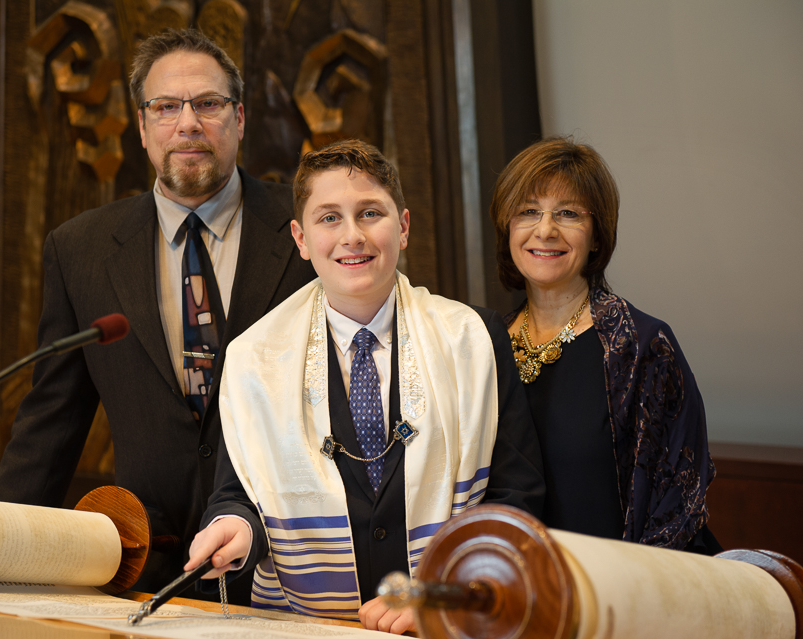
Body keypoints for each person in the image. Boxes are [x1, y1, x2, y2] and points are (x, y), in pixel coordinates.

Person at [0, 28, 316, 598]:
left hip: (286, 569)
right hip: (145, 572)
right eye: (166, 107)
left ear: (239, 119)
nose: (187, 123)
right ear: (141, 128)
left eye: (208, 104)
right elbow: (51, 424)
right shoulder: (80, 249)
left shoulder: (310, 229)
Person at [184, 139, 545, 634]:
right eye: (329, 218)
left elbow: (517, 496)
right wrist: (236, 526)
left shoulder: (473, 339)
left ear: (403, 226)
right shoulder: (254, 358)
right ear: (301, 238)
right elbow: (238, 492)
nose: (351, 235)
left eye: (370, 213)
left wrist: (444, 598)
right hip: (307, 627)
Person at [490, 136, 720, 552]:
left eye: (568, 213)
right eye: (528, 211)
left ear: (596, 235)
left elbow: (676, 509)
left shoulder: (641, 348)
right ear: (507, 227)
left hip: (621, 595)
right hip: (516, 593)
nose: (545, 229)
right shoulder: (482, 344)